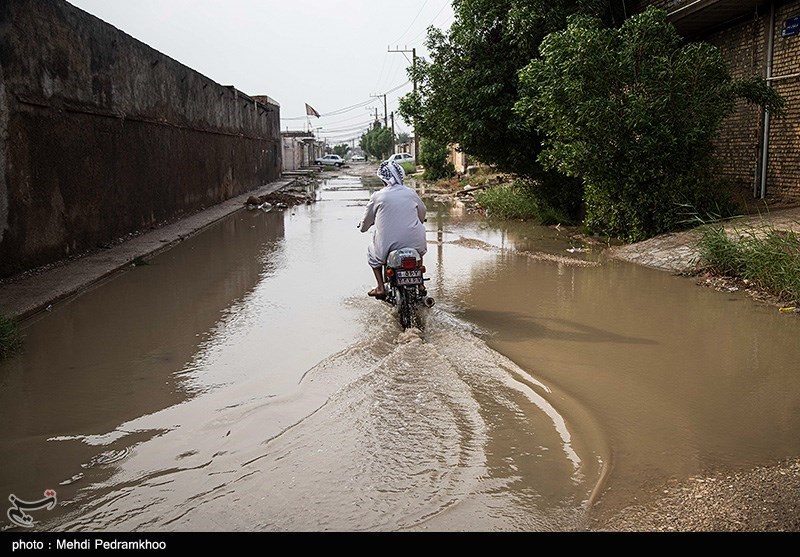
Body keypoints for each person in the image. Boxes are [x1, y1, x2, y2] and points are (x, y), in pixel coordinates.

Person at [358, 161, 427, 299]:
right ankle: (420, 285)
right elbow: (422, 213)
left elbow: (365, 224)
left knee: (372, 254)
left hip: (387, 246)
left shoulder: (378, 196)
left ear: (383, 178)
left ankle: (380, 287)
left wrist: (362, 226)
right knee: (418, 253)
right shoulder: (411, 193)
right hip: (415, 242)